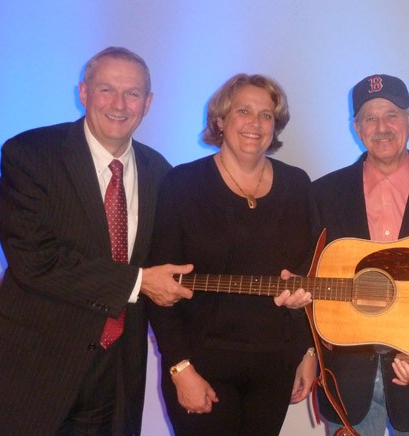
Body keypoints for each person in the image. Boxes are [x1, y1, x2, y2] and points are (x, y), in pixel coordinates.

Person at [0, 47, 195, 435]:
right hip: (35, 369)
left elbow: (174, 265)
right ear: (83, 92)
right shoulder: (31, 154)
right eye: (106, 89)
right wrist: (139, 283)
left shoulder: (161, 172)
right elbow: (34, 258)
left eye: (133, 93)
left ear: (148, 103)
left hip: (115, 377)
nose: (119, 104)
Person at [146, 73, 316, 436]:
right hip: (202, 365)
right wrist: (179, 368)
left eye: (266, 115)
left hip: (275, 365)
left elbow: (307, 274)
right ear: (221, 121)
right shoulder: (182, 185)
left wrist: (307, 352)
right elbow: (158, 287)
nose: (255, 123)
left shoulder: (298, 185)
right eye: (244, 111)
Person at [309, 74, 409, 435]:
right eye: (370, 117)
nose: (381, 127)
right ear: (356, 127)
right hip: (347, 382)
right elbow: (312, 286)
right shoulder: (322, 194)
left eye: (392, 115)